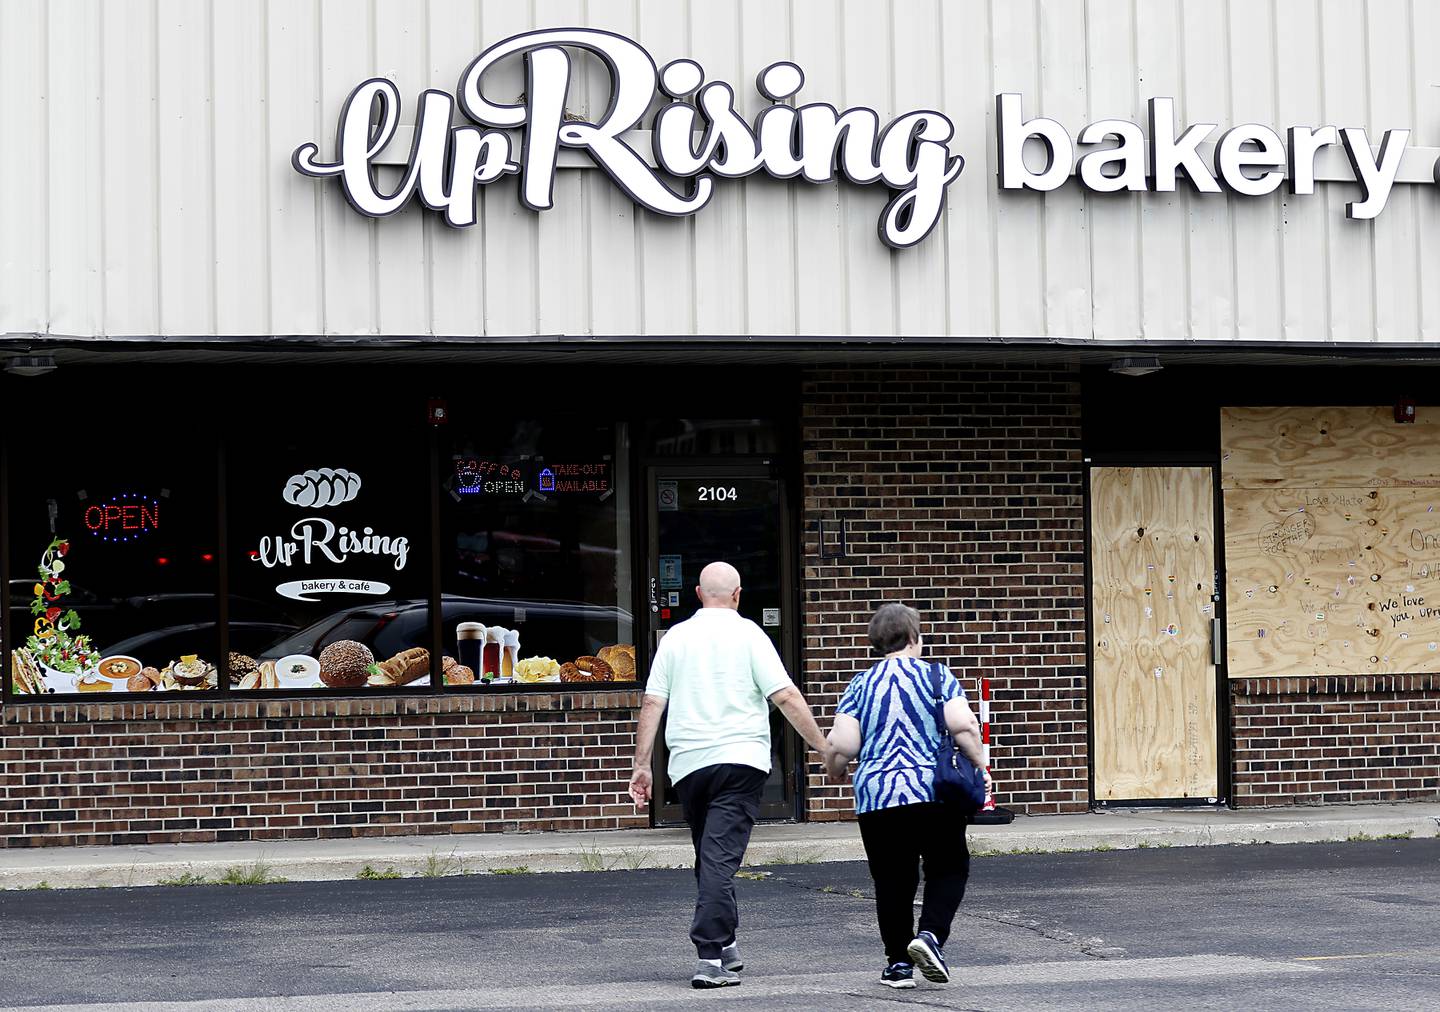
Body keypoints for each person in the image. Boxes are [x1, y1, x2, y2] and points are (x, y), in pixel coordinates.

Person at [629, 561, 832, 990]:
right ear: (738, 595)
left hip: (690, 767)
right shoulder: (751, 635)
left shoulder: (676, 638)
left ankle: (727, 945)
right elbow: (786, 696)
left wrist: (642, 764)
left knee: (710, 855)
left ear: (699, 595)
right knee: (718, 859)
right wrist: (822, 745)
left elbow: (652, 704)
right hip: (742, 762)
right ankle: (710, 957)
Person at [824, 602, 991, 990]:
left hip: (878, 798)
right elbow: (963, 724)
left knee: (892, 879)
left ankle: (898, 964)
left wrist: (834, 769)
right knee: (948, 866)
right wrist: (980, 765)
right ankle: (930, 936)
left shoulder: (861, 684)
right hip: (933, 792)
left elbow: (843, 744)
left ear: (876, 642)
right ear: (914, 637)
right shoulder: (937, 676)